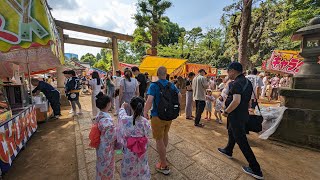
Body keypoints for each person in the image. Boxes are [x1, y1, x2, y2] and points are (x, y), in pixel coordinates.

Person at [218, 62, 263, 180]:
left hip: (236, 115)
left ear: (232, 70)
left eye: (228, 71)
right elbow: (249, 99)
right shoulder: (247, 82)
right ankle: (228, 149)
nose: (228, 74)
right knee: (231, 131)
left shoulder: (236, 83)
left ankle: (255, 168)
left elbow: (236, 101)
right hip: (243, 114)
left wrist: (226, 111)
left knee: (241, 140)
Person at [143, 66, 182, 175]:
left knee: (159, 139)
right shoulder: (172, 85)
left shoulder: (154, 85)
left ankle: (163, 165)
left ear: (157, 74)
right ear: (166, 73)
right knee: (165, 134)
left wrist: (145, 112)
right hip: (169, 116)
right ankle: (163, 154)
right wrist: (177, 108)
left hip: (157, 116)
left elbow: (150, 100)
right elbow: (179, 95)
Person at [117, 97, 151, 180]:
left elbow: (121, 115)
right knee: (141, 165)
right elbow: (148, 133)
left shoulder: (125, 120)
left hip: (129, 150)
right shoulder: (145, 122)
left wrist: (122, 107)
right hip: (141, 150)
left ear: (131, 107)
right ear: (142, 108)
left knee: (129, 166)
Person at [94, 92, 116, 180]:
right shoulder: (107, 122)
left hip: (100, 144)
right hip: (107, 147)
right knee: (107, 165)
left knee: (100, 164)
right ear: (108, 104)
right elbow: (112, 137)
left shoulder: (99, 116)